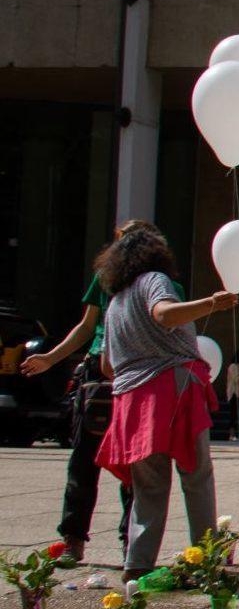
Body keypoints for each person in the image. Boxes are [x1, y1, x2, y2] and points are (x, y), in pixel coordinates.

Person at [93, 226, 234, 582]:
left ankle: (137, 563)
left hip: (130, 400)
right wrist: (211, 304)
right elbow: (164, 314)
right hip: (171, 387)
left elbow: (107, 365)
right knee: (196, 474)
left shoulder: (115, 302)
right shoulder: (153, 281)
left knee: (149, 486)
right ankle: (207, 559)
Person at [24, 220, 162, 562]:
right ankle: (73, 539)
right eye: (122, 239)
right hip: (98, 378)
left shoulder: (161, 283)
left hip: (138, 375)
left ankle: (133, 543)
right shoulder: (105, 279)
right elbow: (87, 327)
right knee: (84, 460)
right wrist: (52, 358)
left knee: (135, 466)